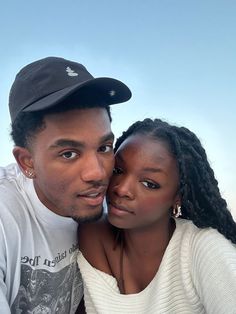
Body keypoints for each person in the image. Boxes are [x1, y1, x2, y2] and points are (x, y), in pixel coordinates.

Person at [0, 56, 131, 313]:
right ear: (27, 162)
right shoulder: (6, 214)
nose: (97, 173)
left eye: (104, 147)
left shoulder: (119, 201)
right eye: (69, 153)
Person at [78, 118, 236, 314]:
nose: (122, 189)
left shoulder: (203, 247)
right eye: (118, 170)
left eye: (149, 183)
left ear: (177, 198)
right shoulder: (91, 234)